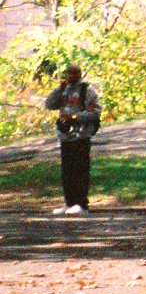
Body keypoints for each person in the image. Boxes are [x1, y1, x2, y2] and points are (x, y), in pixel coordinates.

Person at [44, 64, 100, 216]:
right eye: (70, 73)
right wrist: (59, 90)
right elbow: (49, 105)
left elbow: (95, 112)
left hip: (81, 136)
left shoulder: (87, 91)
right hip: (66, 137)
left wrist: (75, 117)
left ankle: (81, 204)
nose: (72, 76)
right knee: (67, 172)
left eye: (75, 73)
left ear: (80, 74)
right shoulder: (64, 90)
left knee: (80, 170)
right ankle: (69, 203)